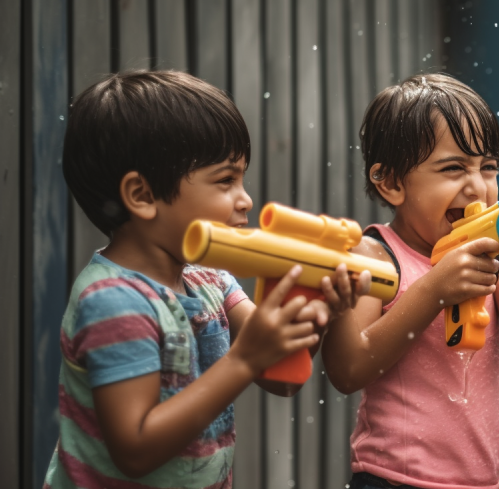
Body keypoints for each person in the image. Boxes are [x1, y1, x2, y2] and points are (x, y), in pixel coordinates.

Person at [43, 70, 363, 488]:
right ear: (141, 195)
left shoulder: (210, 281)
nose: (245, 198)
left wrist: (317, 309)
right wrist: (244, 358)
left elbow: (280, 377)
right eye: (225, 180)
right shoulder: (113, 301)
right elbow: (135, 450)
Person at [320, 73, 499, 489]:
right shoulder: (375, 256)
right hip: (394, 479)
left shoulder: (491, 257)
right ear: (392, 182)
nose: (477, 187)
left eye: (487, 167)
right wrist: (433, 290)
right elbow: (347, 369)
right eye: (453, 168)